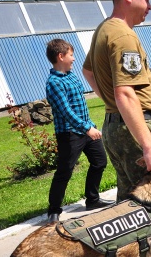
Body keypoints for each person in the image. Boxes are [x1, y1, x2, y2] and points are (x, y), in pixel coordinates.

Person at [82, 0, 151, 202]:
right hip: (135, 126)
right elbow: (126, 92)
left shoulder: (105, 29)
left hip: (116, 125)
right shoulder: (123, 36)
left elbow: (88, 71)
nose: (150, 6)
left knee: (130, 204)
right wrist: (149, 147)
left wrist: (111, 102)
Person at [45, 39, 114, 222]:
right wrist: (87, 128)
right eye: (71, 55)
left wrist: (89, 126)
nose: (74, 59)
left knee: (99, 162)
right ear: (60, 56)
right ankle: (54, 210)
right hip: (69, 134)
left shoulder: (71, 75)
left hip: (86, 128)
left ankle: (92, 199)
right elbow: (65, 111)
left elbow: (80, 105)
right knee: (65, 171)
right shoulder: (53, 83)